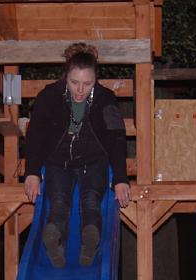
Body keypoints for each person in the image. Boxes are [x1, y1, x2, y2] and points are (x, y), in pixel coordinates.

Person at [23, 42, 131, 268]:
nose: (80, 90)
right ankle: (53, 237)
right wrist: (32, 172)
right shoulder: (49, 96)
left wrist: (121, 178)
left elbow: (116, 137)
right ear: (66, 77)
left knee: (91, 200)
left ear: (95, 80)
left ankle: (90, 239)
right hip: (58, 161)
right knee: (58, 201)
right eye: (74, 83)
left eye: (87, 83)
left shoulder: (105, 98)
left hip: (93, 161)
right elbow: (36, 135)